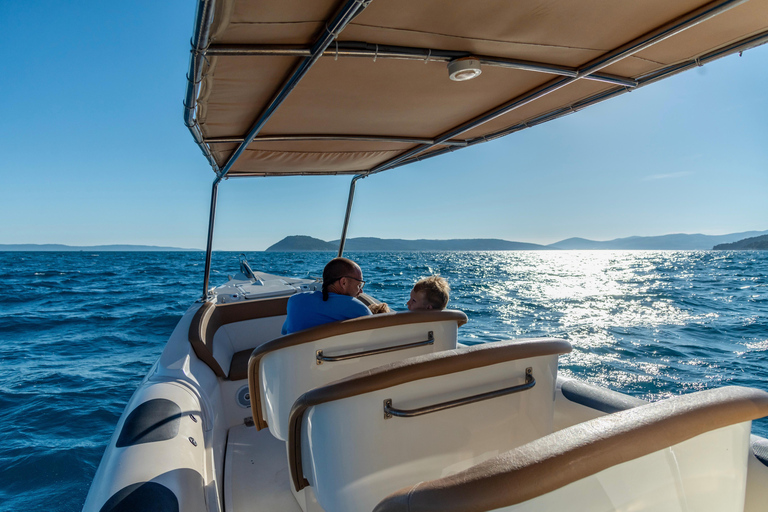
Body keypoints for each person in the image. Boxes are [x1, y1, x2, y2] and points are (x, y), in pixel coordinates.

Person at [281, 257, 371, 334]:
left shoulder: (295, 301)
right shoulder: (359, 309)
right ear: (343, 282)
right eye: (359, 285)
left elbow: (285, 332)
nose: (361, 291)